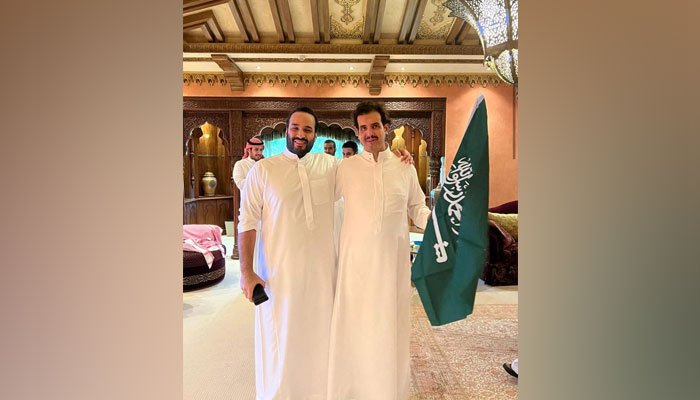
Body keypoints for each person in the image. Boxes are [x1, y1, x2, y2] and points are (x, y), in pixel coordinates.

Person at [327, 101, 431, 399]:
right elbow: (319, 195)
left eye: (374, 126)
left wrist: (439, 227)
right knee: (356, 326)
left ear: (387, 127)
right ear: (357, 132)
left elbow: (417, 206)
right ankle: (353, 390)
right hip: (355, 264)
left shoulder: (404, 165)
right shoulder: (345, 168)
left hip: (392, 263)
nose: (369, 133)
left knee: (387, 326)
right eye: (363, 128)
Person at [237, 107, 339, 400]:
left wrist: (395, 158)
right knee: (280, 341)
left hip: (322, 274)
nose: (300, 135)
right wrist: (246, 271)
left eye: (307, 130)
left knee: (320, 340)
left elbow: (365, 171)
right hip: (278, 276)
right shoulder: (264, 171)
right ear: (286, 131)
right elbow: (247, 221)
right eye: (295, 128)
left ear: (316, 135)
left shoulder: (330, 166)